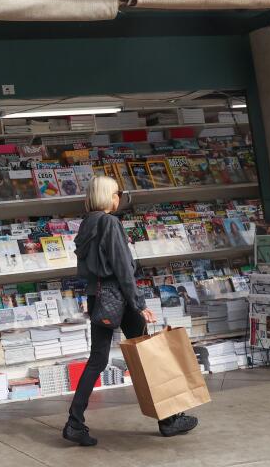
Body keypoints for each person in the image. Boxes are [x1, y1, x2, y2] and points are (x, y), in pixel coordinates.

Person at [63, 176, 198, 446]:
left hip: (98, 297)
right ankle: (169, 420)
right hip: (119, 298)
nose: (118, 198)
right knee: (149, 354)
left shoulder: (86, 224)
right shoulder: (110, 223)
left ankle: (74, 423)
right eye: (116, 193)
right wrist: (139, 304)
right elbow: (123, 269)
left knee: (97, 360)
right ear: (105, 196)